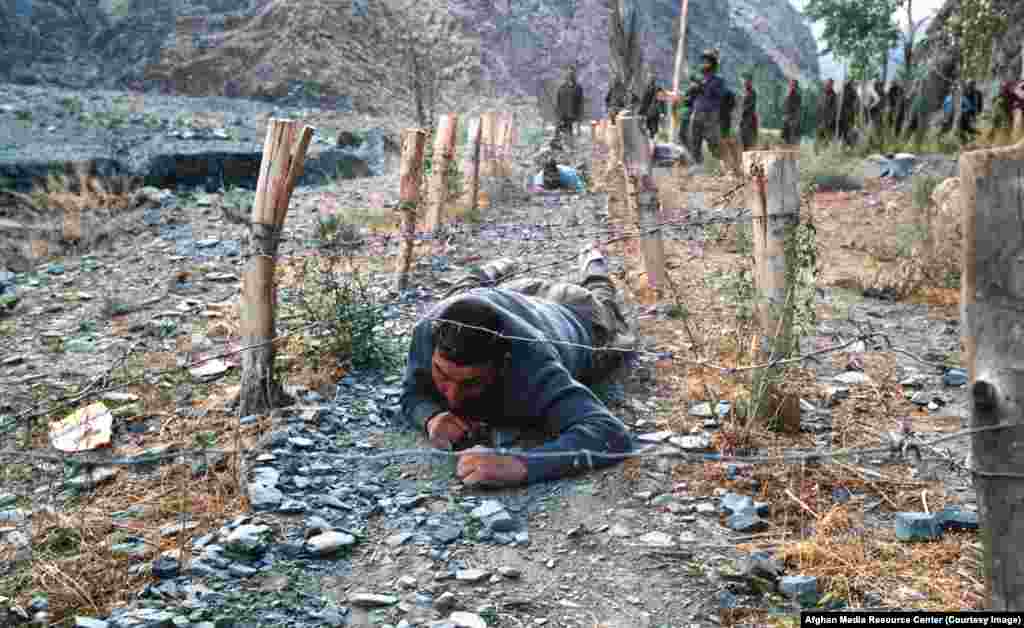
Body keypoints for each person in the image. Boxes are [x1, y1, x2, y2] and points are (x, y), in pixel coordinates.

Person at [400, 245, 637, 487]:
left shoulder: (534, 363)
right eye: (442, 374)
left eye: (470, 383)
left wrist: (520, 464)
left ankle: (593, 263)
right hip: (508, 293)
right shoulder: (427, 331)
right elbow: (411, 393)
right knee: (462, 293)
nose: (451, 397)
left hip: (574, 307)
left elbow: (611, 434)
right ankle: (495, 268)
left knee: (605, 307)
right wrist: (431, 417)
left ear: (503, 364)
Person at [689, 49, 725, 165]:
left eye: (706, 61)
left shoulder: (718, 80)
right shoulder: (699, 78)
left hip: (710, 116)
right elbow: (691, 96)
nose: (703, 64)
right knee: (695, 142)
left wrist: (701, 85)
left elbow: (717, 95)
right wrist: (694, 88)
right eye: (703, 61)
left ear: (712, 63)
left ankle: (721, 167)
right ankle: (697, 165)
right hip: (697, 113)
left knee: (713, 144)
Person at [556, 66, 584, 141]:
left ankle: (570, 145)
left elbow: (580, 104)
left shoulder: (578, 88)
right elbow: (558, 104)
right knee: (559, 140)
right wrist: (558, 118)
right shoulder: (561, 88)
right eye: (568, 73)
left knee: (571, 140)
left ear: (574, 75)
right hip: (562, 118)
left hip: (573, 119)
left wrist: (579, 121)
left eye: (571, 73)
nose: (570, 75)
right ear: (566, 75)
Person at [816, 78, 837, 148]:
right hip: (820, 120)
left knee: (826, 139)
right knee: (818, 138)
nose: (828, 85)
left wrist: (829, 120)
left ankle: (825, 148)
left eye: (830, 84)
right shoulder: (821, 93)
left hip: (828, 122)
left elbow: (834, 110)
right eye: (827, 84)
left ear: (832, 85)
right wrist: (818, 119)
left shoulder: (834, 95)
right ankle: (818, 149)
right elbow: (818, 106)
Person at [739, 74, 758, 150]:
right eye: (744, 82)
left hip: (750, 118)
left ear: (750, 82)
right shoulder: (745, 92)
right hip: (744, 118)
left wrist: (742, 109)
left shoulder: (752, 92)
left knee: (749, 138)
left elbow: (750, 105)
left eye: (747, 81)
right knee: (743, 138)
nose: (745, 83)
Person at [781, 79, 801, 145]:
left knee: (792, 138)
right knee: (785, 138)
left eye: (794, 85)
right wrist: (784, 115)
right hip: (787, 118)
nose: (792, 86)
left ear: (796, 86)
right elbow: (785, 106)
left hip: (793, 119)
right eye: (791, 85)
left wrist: (795, 119)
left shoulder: (797, 96)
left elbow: (797, 109)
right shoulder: (787, 95)